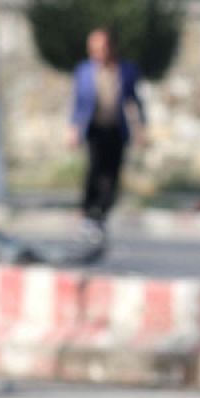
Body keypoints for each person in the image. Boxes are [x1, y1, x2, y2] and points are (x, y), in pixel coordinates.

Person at [69, 27, 144, 240]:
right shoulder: (84, 71)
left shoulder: (126, 70)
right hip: (94, 128)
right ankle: (87, 213)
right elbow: (78, 103)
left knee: (112, 174)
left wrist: (140, 128)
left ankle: (101, 214)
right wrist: (73, 128)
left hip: (117, 129)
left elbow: (135, 101)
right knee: (94, 170)